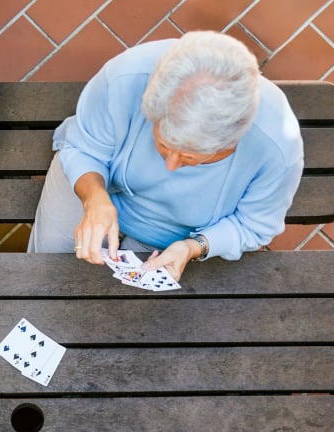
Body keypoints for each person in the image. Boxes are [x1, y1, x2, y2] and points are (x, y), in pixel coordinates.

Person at [28, 30, 304, 283]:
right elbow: (84, 147)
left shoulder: (277, 145)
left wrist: (195, 247)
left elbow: (252, 225)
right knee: (44, 278)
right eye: (162, 144)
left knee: (119, 316)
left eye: (189, 158)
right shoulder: (125, 77)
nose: (170, 166)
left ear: (233, 142)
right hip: (91, 182)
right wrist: (94, 199)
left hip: (174, 236)